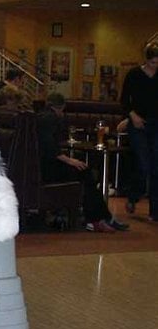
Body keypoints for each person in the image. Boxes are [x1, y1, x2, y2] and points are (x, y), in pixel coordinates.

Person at [36, 92, 129, 232]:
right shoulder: (51, 118)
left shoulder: (39, 116)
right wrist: (69, 160)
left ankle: (98, 218)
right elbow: (49, 147)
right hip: (46, 171)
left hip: (36, 168)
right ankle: (98, 218)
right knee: (85, 172)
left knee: (84, 172)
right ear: (61, 107)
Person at [120, 43, 158, 221]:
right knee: (143, 164)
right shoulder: (134, 75)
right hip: (138, 124)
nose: (155, 66)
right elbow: (124, 100)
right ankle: (134, 195)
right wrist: (132, 115)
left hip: (156, 124)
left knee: (156, 166)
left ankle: (155, 211)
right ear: (146, 60)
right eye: (152, 62)